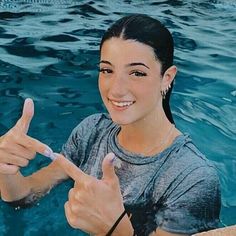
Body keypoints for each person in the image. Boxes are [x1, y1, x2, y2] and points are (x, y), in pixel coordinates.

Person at [0, 14, 221, 236]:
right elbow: (26, 196)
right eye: (107, 70)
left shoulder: (193, 178)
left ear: (167, 77)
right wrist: (6, 169)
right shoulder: (92, 130)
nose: (115, 90)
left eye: (137, 73)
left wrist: (115, 229)